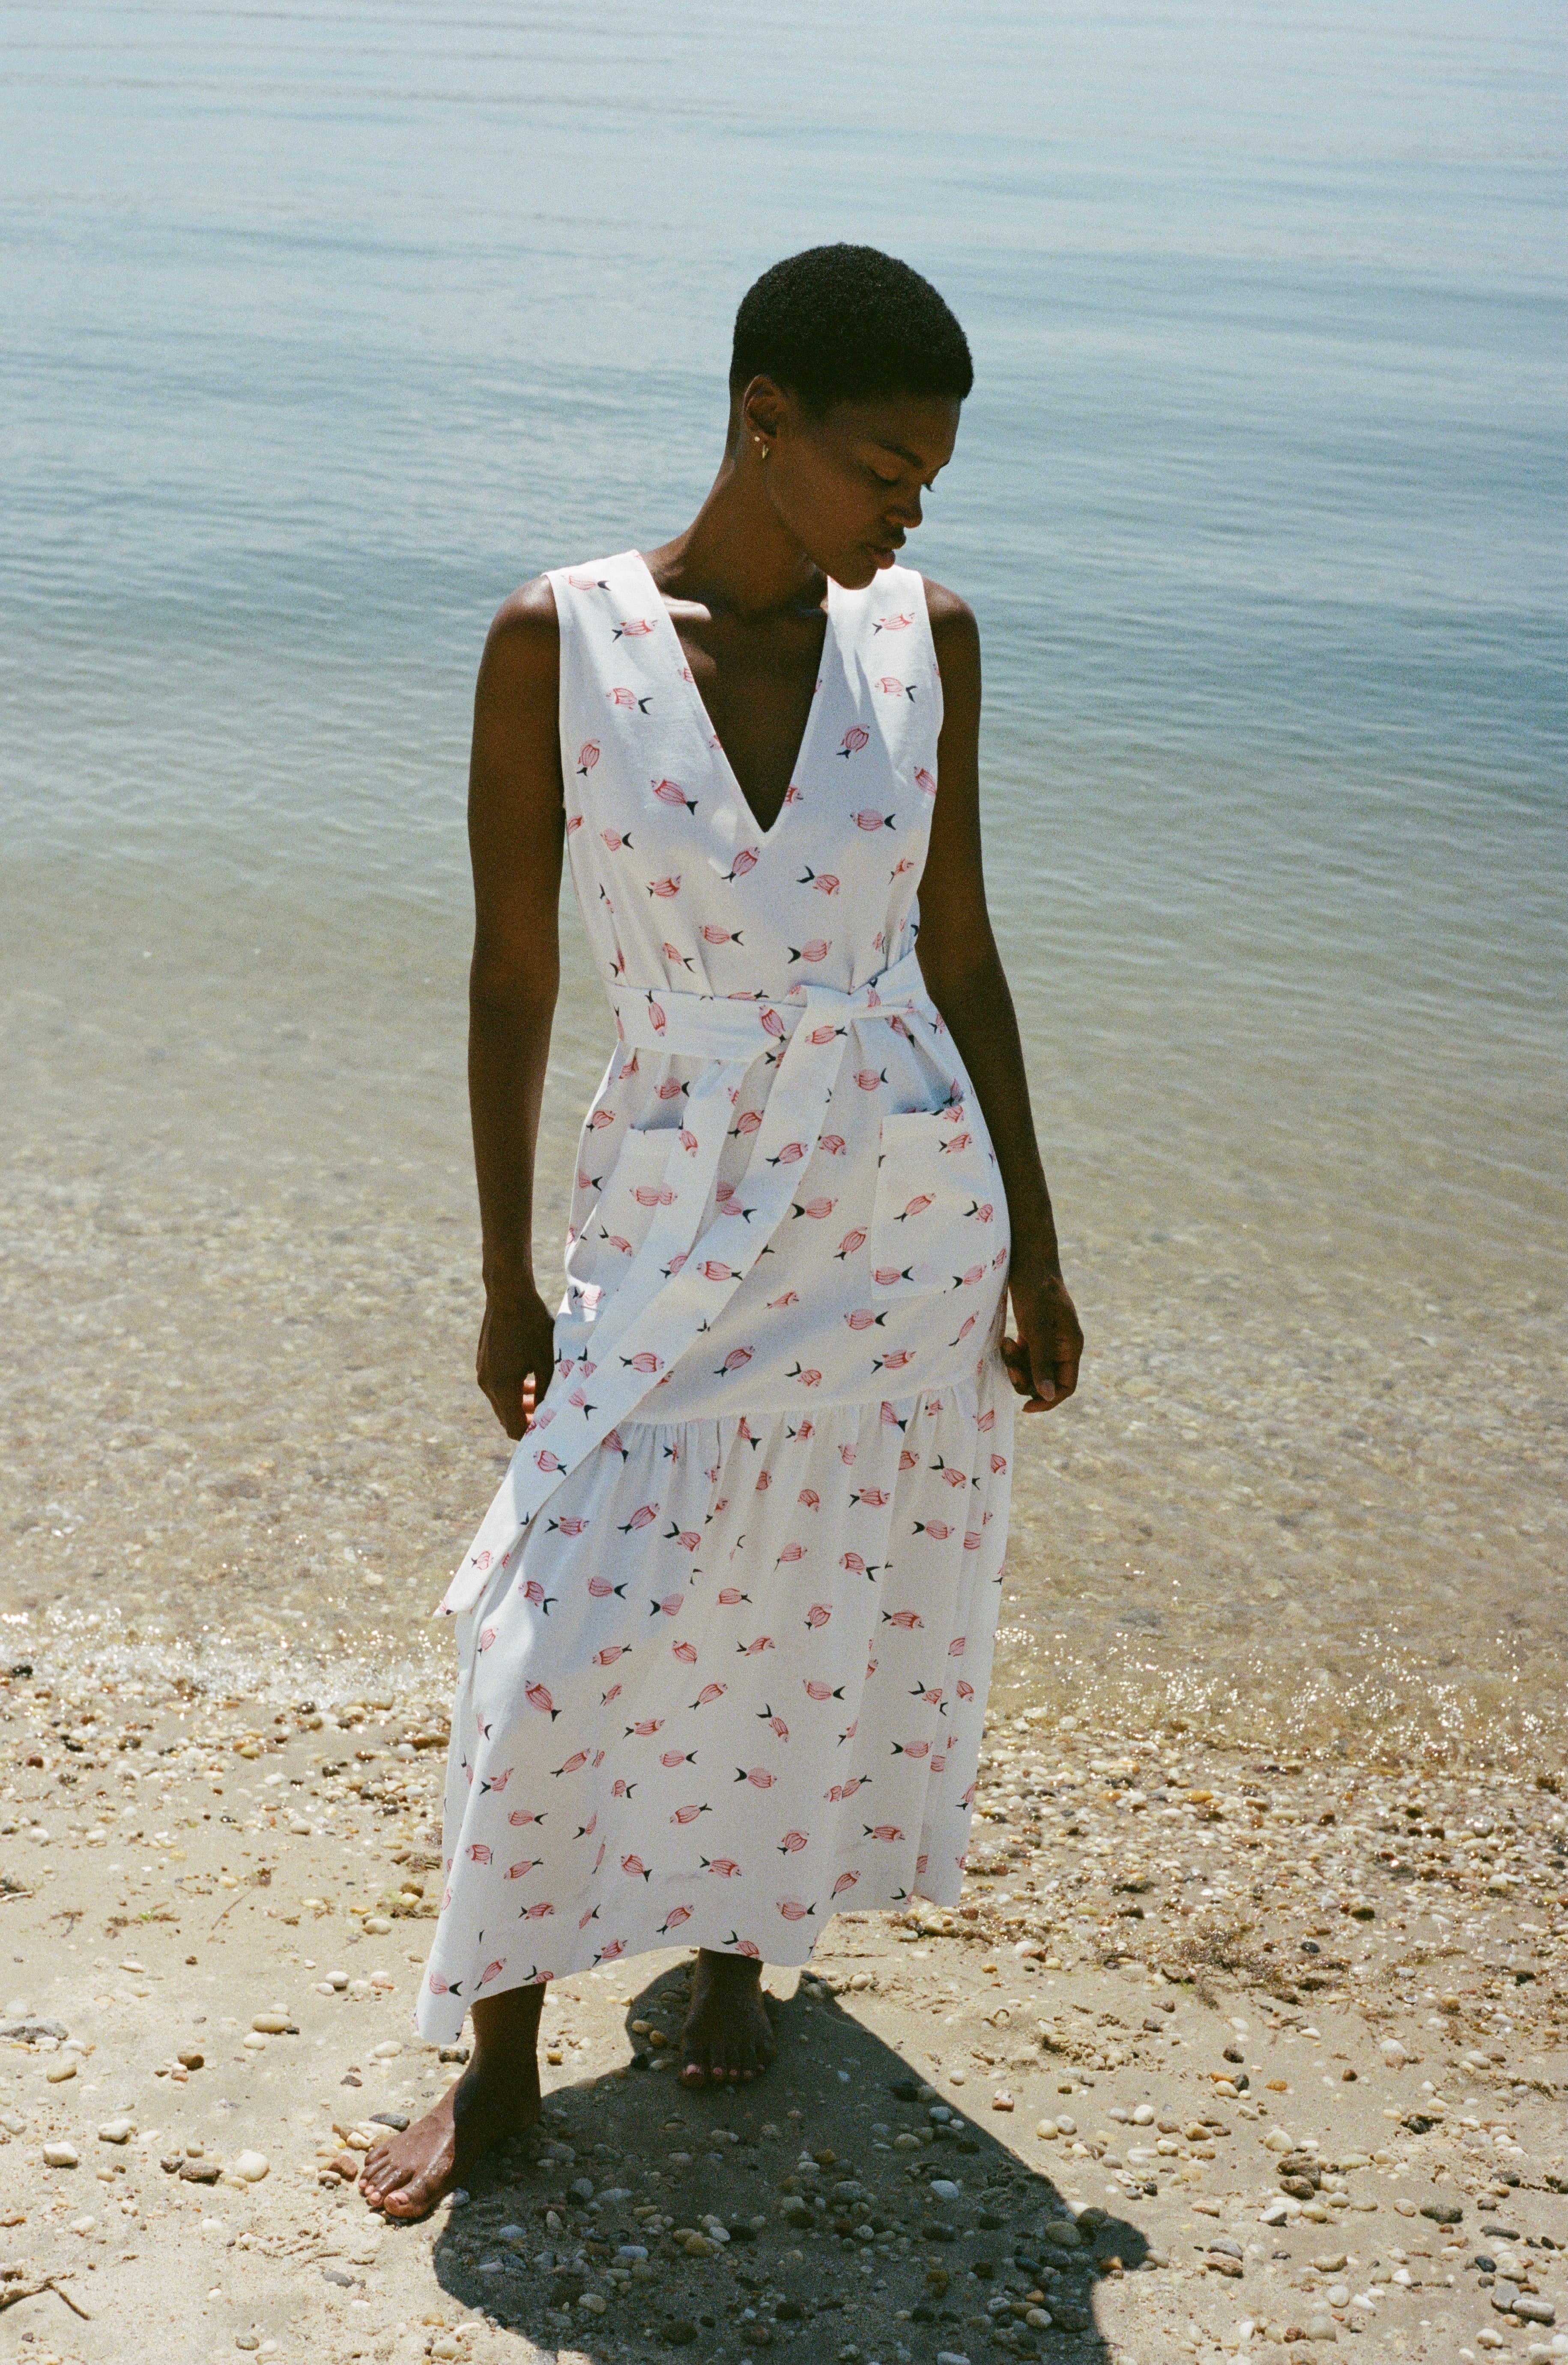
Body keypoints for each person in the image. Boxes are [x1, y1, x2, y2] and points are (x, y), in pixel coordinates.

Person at [360, 243, 1083, 2220]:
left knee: (821, 1591)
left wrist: (1035, 1238)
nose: (905, 508)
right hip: (668, 1208)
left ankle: (747, 1953)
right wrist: (503, 1269)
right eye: (878, 463)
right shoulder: (558, 642)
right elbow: (513, 976)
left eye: (926, 477)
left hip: (898, 1210)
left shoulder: (928, 635)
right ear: (763, 418)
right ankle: (500, 2065)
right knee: (552, 1626)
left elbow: (960, 948)